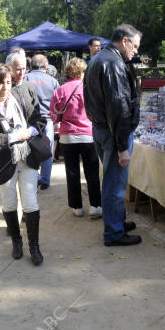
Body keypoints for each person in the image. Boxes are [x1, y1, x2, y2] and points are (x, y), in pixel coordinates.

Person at [0, 63, 45, 265]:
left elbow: (39, 120)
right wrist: (15, 136)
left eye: (7, 82)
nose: (4, 87)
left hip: (27, 158)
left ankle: (34, 246)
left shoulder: (21, 98)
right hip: (4, 163)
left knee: (31, 203)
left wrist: (30, 133)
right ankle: (17, 241)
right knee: (9, 203)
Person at [84, 23, 142, 247]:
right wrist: (121, 146)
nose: (136, 51)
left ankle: (116, 222)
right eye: (135, 46)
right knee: (114, 184)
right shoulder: (113, 62)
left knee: (113, 181)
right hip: (111, 132)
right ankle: (114, 232)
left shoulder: (99, 59)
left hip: (101, 129)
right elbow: (118, 107)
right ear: (124, 41)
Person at [50, 58, 102, 218]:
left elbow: (54, 115)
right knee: (92, 172)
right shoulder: (90, 89)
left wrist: (62, 120)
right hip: (88, 135)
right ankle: (95, 206)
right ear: (81, 72)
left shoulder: (59, 90)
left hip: (67, 136)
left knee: (72, 172)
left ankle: (77, 207)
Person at [25, 54, 59, 190]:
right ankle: (45, 179)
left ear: (31, 65)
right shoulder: (53, 81)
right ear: (46, 66)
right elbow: (58, 105)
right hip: (48, 121)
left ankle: (34, 177)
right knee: (47, 150)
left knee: (30, 150)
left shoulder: (25, 78)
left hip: (30, 121)